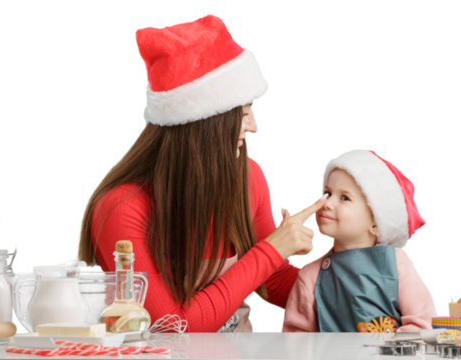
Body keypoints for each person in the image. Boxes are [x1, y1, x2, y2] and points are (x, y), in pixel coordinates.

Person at [73, 14, 327, 333]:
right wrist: (273, 248)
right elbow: (173, 326)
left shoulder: (249, 176)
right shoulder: (120, 208)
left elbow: (271, 280)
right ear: (205, 123)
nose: (255, 126)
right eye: (244, 112)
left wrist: (361, 300)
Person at [280, 149, 439, 333]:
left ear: (376, 221)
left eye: (345, 197)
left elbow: (423, 326)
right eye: (327, 193)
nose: (327, 203)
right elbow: (295, 339)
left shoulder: (398, 265)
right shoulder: (310, 276)